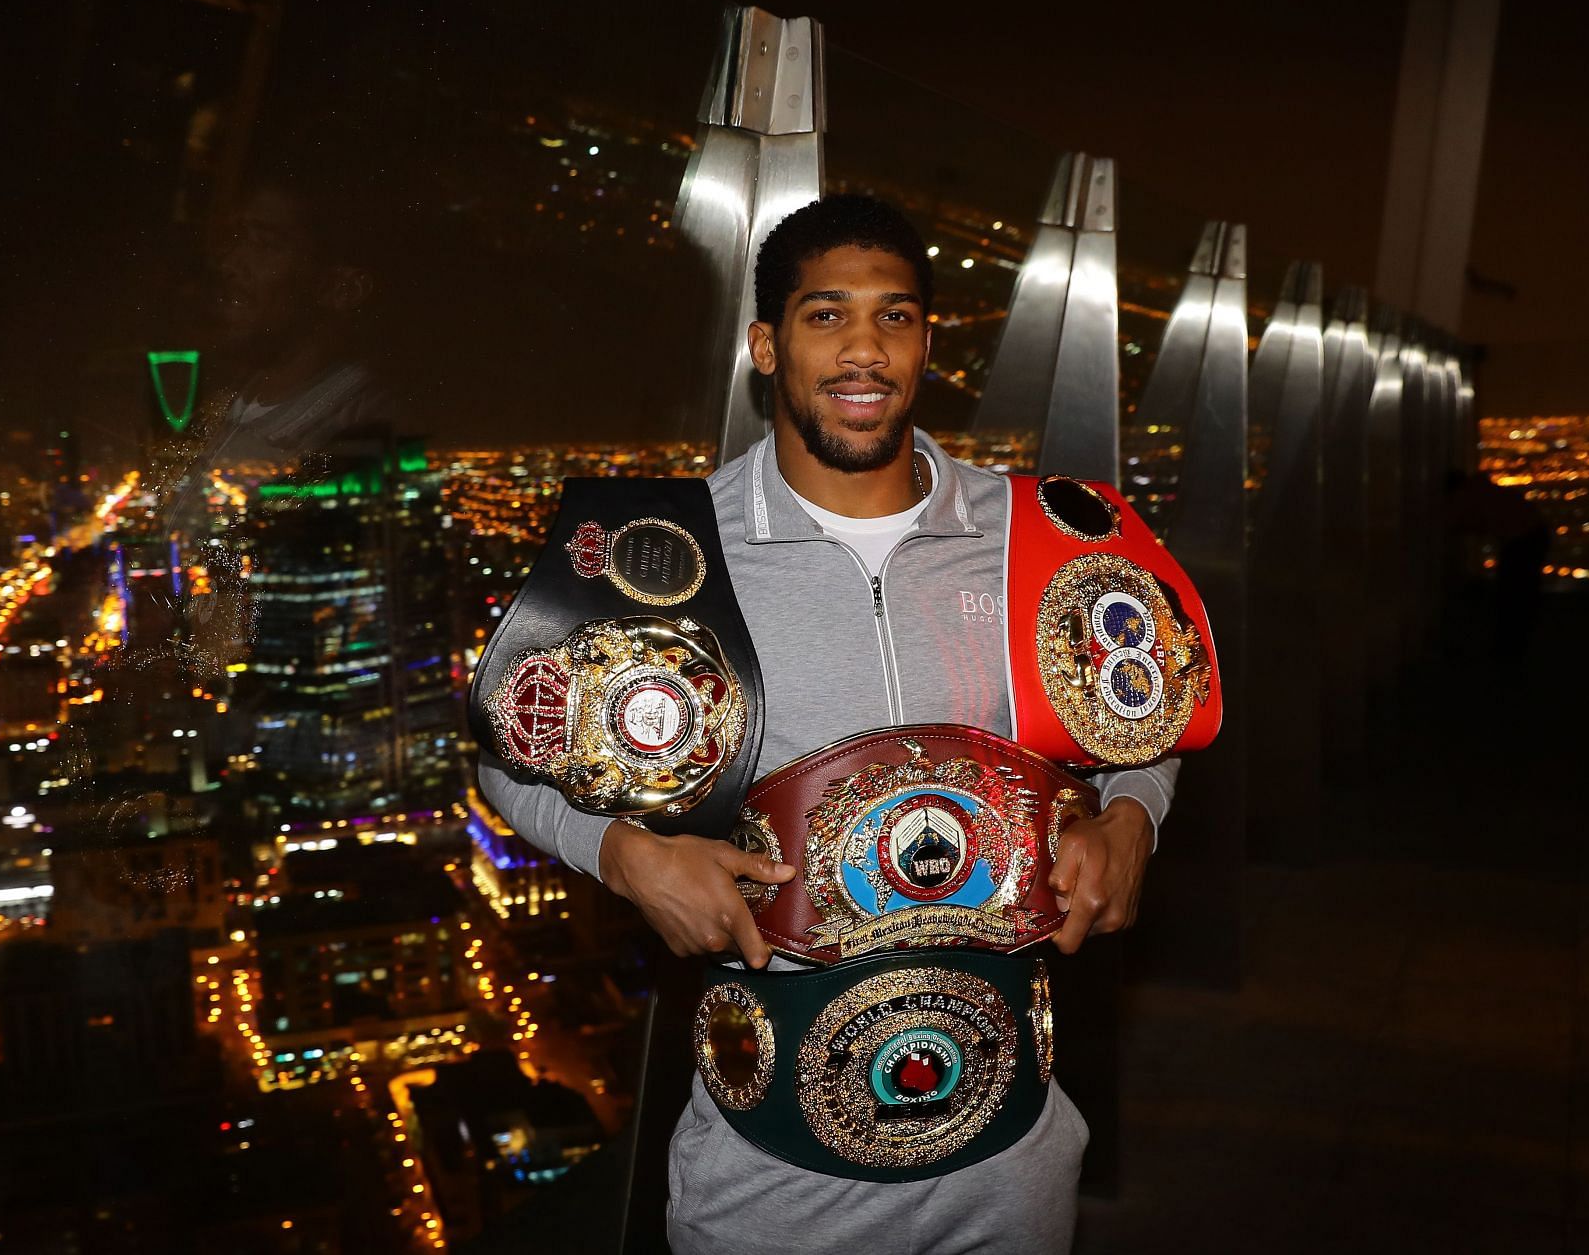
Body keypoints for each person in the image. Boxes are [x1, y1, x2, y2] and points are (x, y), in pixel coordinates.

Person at [479, 195, 1179, 1254]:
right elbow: (509, 758)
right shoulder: (671, 554)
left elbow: (1143, 715)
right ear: (766, 345)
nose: (864, 348)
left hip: (1014, 1164)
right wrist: (624, 854)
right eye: (825, 316)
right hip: (768, 1182)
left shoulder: (1035, 533)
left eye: (895, 318)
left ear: (928, 344)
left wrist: (1133, 820)